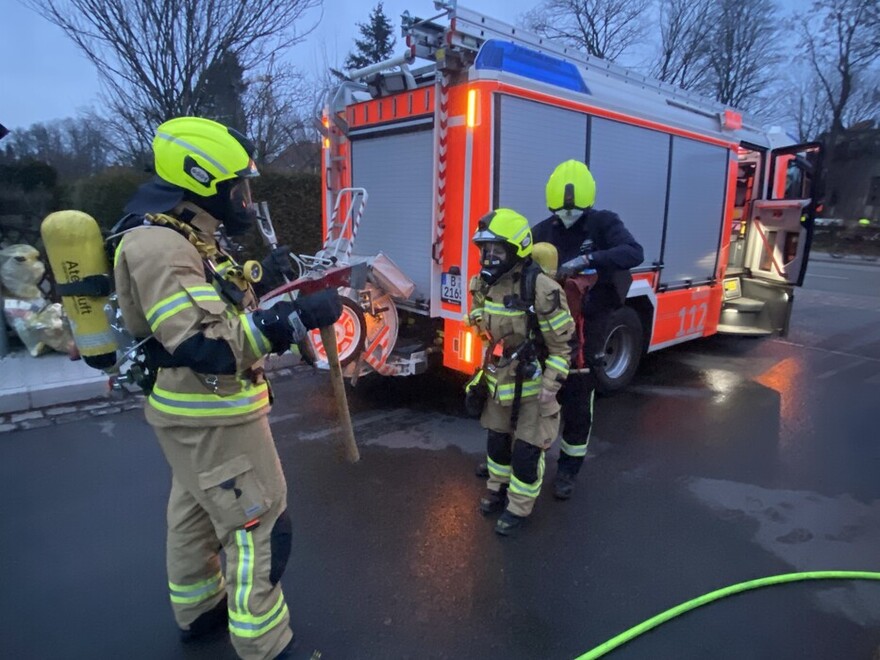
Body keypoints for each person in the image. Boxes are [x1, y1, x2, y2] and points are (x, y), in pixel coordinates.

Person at [113, 117, 342, 659]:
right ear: (201, 184)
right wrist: (294, 319)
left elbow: (215, 299)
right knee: (259, 520)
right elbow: (206, 346)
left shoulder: (182, 235)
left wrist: (262, 275)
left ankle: (200, 611)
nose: (245, 198)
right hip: (210, 411)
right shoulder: (160, 248)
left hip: (193, 415)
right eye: (236, 187)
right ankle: (264, 643)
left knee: (195, 508)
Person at [532, 159, 644, 500]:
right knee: (537, 400)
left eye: (573, 212)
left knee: (578, 404)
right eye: (560, 212)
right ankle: (525, 461)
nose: (567, 217)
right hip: (548, 327)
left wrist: (587, 261)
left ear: (587, 203)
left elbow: (633, 253)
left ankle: (568, 471)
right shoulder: (544, 229)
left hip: (589, 324)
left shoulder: (603, 223)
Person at [465, 208, 575, 536]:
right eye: (485, 250)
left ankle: (519, 507)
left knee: (526, 451)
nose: (488, 258)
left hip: (532, 384)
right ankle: (498, 489)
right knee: (497, 443)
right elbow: (481, 317)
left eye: (497, 250)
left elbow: (561, 347)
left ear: (516, 249)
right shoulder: (486, 284)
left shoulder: (542, 289)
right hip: (499, 380)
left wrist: (552, 384)